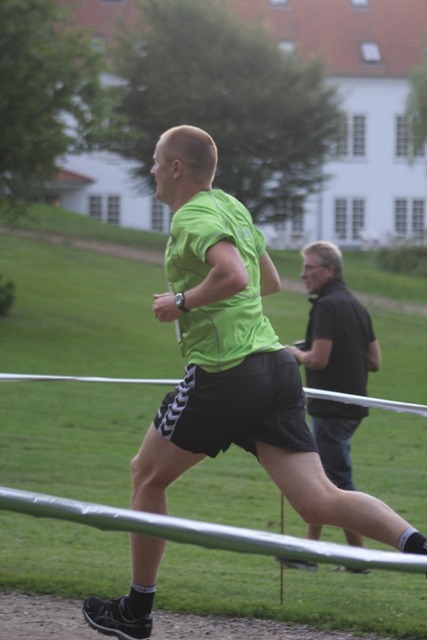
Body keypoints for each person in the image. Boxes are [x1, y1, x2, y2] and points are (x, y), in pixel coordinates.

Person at [83, 125, 427, 640]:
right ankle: (421, 548)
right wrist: (220, 307)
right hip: (275, 367)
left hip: (225, 373)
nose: (151, 170)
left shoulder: (192, 215)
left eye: (156, 161)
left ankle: (136, 611)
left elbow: (237, 277)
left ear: (176, 167)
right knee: (320, 499)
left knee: (146, 476)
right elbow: (270, 281)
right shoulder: (230, 206)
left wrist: (180, 302)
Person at [284, 241, 381, 572]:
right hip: (352, 406)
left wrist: (296, 354)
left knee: (336, 483)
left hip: (330, 408)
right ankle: (312, 553)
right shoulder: (356, 305)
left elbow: (319, 359)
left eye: (309, 268)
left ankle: (358, 559)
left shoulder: (326, 306)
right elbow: (374, 361)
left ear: (329, 270)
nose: (303, 274)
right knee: (326, 480)